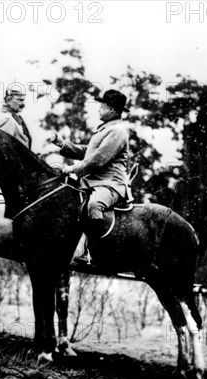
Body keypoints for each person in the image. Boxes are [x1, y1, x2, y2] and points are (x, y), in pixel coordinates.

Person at [51, 89, 131, 264]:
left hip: (109, 185)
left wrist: (70, 169)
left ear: (111, 109)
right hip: (92, 183)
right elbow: (87, 152)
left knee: (94, 205)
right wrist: (62, 144)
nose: (99, 109)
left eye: (102, 106)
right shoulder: (105, 129)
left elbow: (97, 160)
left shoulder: (118, 131)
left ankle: (95, 253)